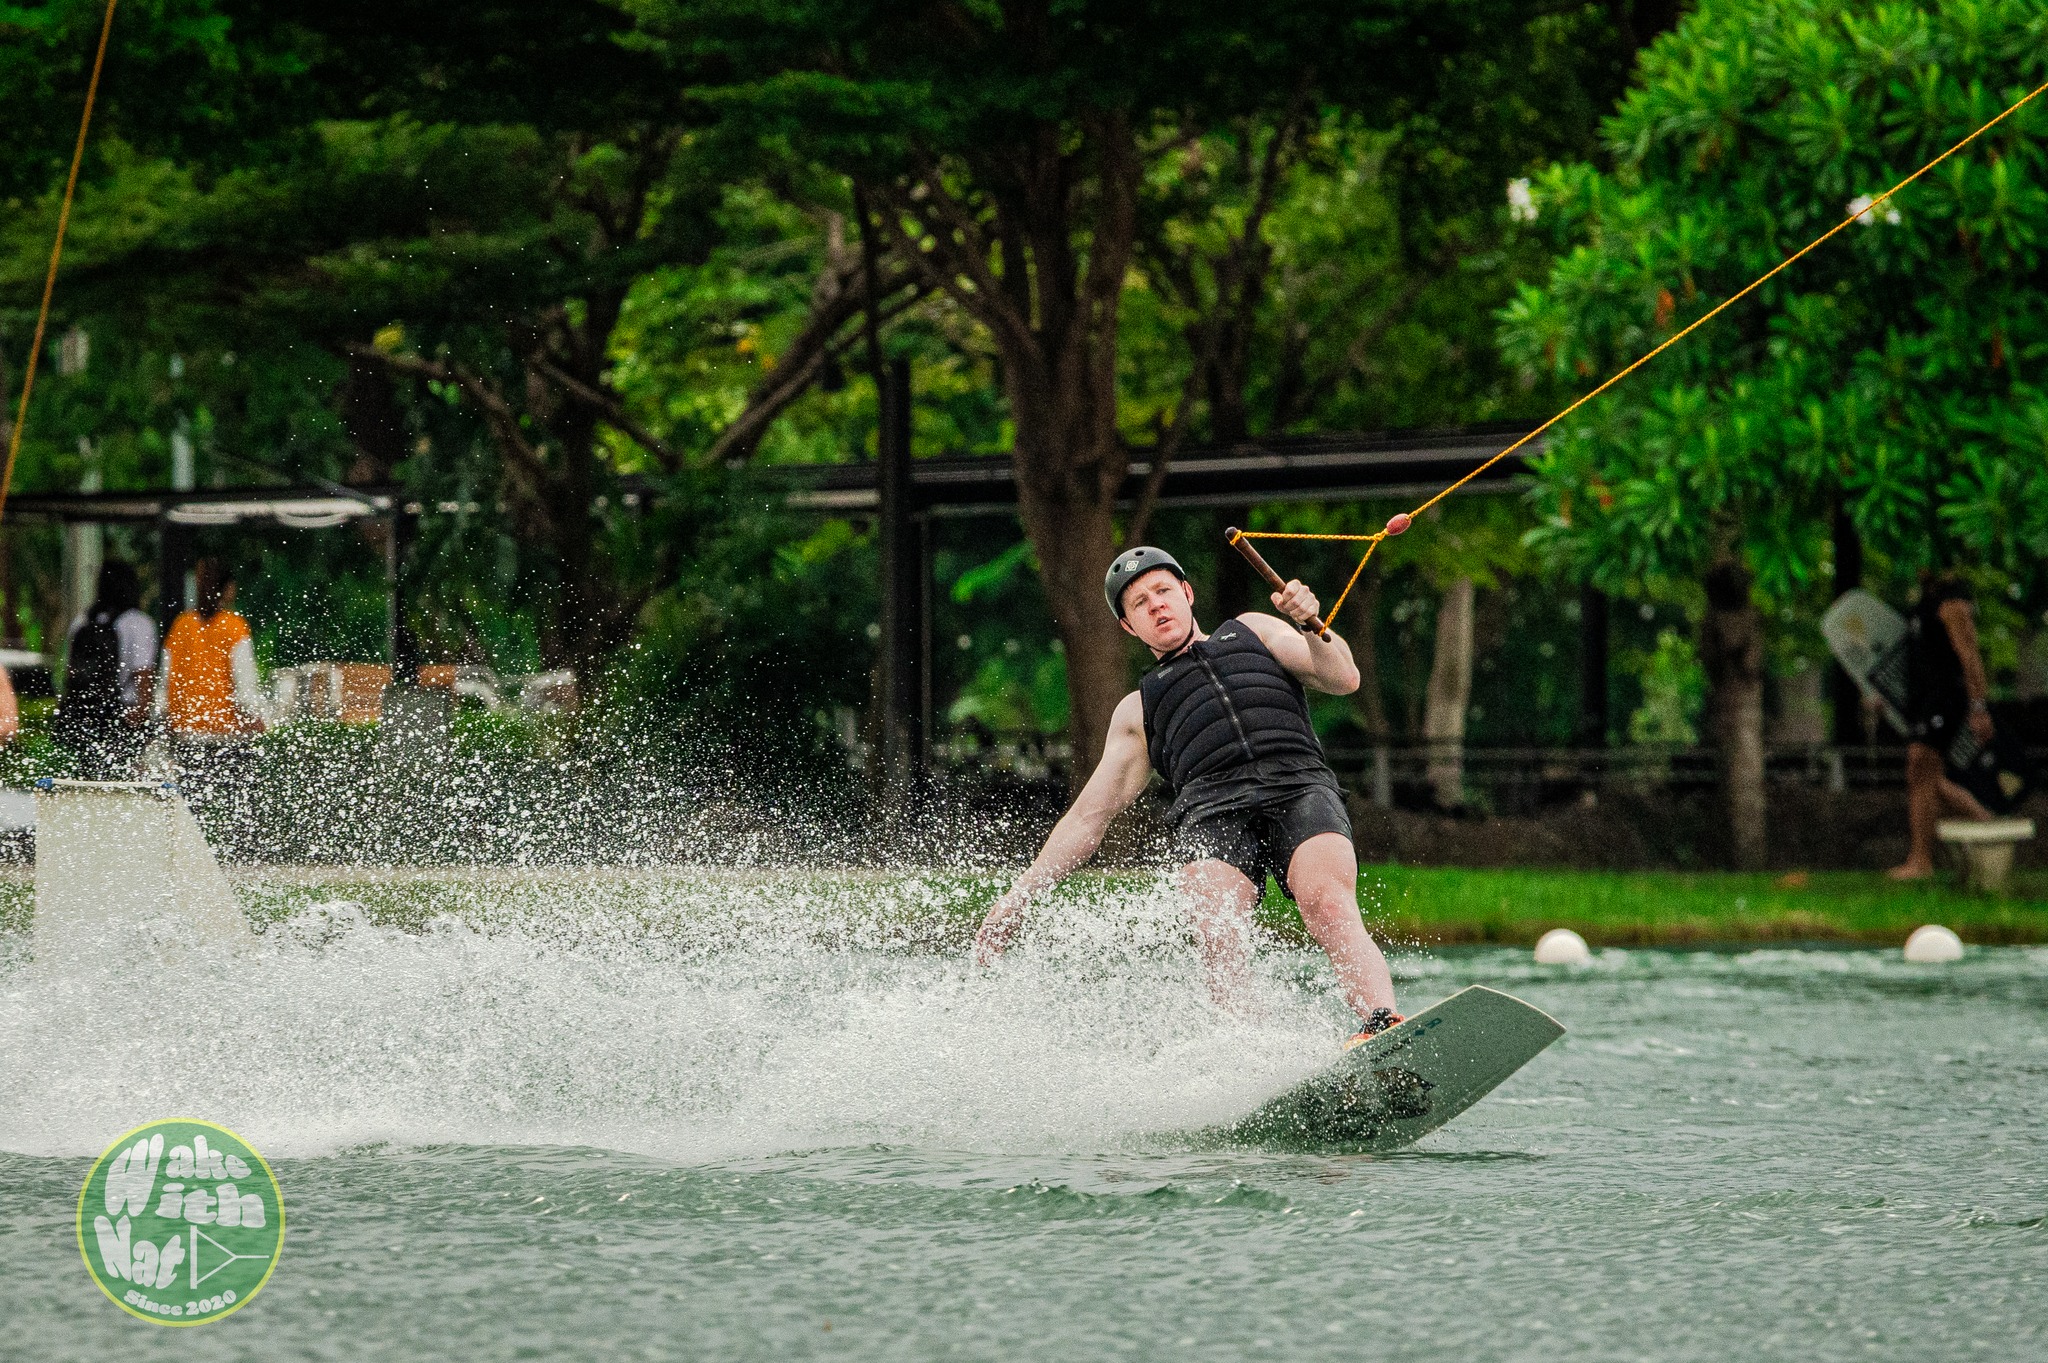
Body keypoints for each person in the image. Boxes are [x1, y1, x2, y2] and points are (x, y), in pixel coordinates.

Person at [973, 546, 1401, 1046]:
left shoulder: (1255, 631)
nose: (1155, 605)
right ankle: (1254, 1057)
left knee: (1327, 902)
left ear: (1187, 594)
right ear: (1129, 627)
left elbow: (1343, 677)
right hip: (1211, 810)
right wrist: (1021, 894)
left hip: (1298, 786)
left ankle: (1380, 1022)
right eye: (1138, 603)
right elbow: (1089, 817)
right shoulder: (1137, 710)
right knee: (1217, 925)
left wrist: (1312, 624)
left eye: (1163, 591)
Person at [1887, 569, 1996, 880]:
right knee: (1925, 776)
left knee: (1921, 766)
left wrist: (1978, 708)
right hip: (1924, 699)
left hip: (1946, 698)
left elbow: (1970, 657)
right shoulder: (1925, 599)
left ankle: (1921, 860)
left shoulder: (1953, 602)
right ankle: (1984, 822)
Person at [55, 560, 157, 778]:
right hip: (123, 718)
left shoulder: (82, 621)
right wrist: (142, 718)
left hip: (86, 719)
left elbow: (71, 673)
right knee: (125, 783)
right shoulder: (138, 623)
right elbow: (143, 676)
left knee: (89, 781)